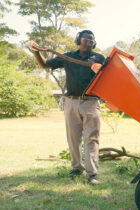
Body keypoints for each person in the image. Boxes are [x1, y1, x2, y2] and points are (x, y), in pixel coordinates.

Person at [28, 30, 105, 185]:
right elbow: (45, 65)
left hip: (91, 102)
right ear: (78, 40)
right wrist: (36, 52)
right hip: (71, 102)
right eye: (86, 39)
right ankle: (77, 168)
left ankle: (92, 174)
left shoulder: (99, 58)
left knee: (91, 138)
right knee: (73, 138)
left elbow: (108, 77)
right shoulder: (68, 56)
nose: (89, 42)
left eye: (91, 40)